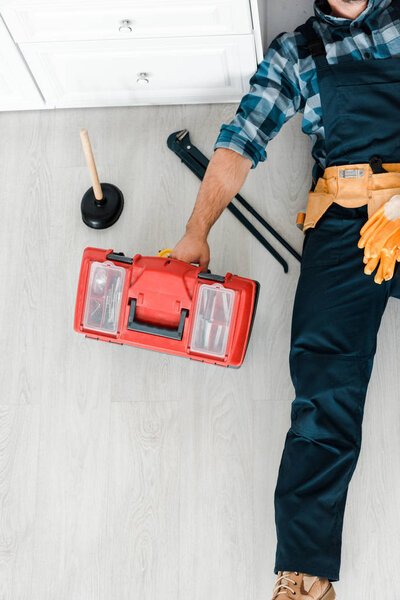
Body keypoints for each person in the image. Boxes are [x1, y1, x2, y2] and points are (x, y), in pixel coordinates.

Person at [170, 0, 400, 598]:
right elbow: (239, 142)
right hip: (346, 221)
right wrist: (197, 231)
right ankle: (305, 571)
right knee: (324, 387)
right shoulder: (297, 53)